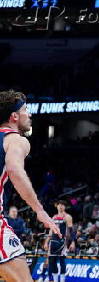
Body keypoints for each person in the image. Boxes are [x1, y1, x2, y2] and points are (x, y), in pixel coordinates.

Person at [0, 90, 61, 282]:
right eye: (26, 109)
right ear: (14, 116)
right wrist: (40, 211)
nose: (30, 114)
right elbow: (15, 170)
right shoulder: (16, 140)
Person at [43, 200, 74, 282]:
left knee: (61, 260)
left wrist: (73, 242)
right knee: (52, 261)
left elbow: (71, 231)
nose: (60, 206)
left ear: (65, 207)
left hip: (62, 241)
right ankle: (56, 280)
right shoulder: (53, 217)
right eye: (59, 205)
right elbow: (50, 231)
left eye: (63, 205)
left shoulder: (67, 217)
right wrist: (46, 242)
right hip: (53, 241)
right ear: (56, 206)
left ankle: (62, 280)